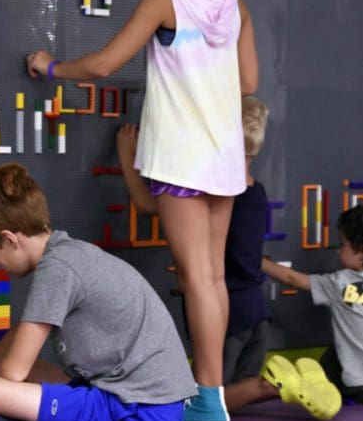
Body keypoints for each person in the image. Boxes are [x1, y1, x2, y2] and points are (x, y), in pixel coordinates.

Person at [27, 0, 258, 421]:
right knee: (213, 278)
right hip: (223, 161)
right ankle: (213, 395)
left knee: (196, 278)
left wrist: (52, 66)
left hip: (181, 158)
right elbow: (247, 83)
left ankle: (207, 399)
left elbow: (106, 64)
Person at [0, 163, 197, 421]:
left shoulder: (57, 269)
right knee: (20, 373)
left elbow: (13, 372)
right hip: (141, 404)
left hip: (137, 415)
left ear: (8, 239)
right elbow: (17, 345)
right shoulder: (69, 254)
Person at [117, 96, 272, 390]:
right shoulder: (257, 192)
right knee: (232, 400)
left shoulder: (218, 193)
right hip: (257, 310)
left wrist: (128, 159)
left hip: (227, 315)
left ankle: (274, 388)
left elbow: (148, 204)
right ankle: (268, 387)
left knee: (212, 393)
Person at [262, 204, 363, 405]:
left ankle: (325, 396)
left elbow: (291, 278)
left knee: (330, 360)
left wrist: (256, 260)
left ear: (362, 253)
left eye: (343, 245)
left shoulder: (342, 282)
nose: (338, 251)